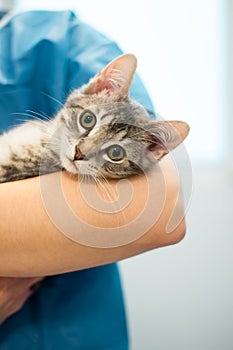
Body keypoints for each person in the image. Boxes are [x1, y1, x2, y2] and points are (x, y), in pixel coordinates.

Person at [0, 9, 186, 349]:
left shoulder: (58, 38)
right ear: (96, 88)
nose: (82, 151)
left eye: (113, 153)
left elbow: (162, 212)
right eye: (87, 122)